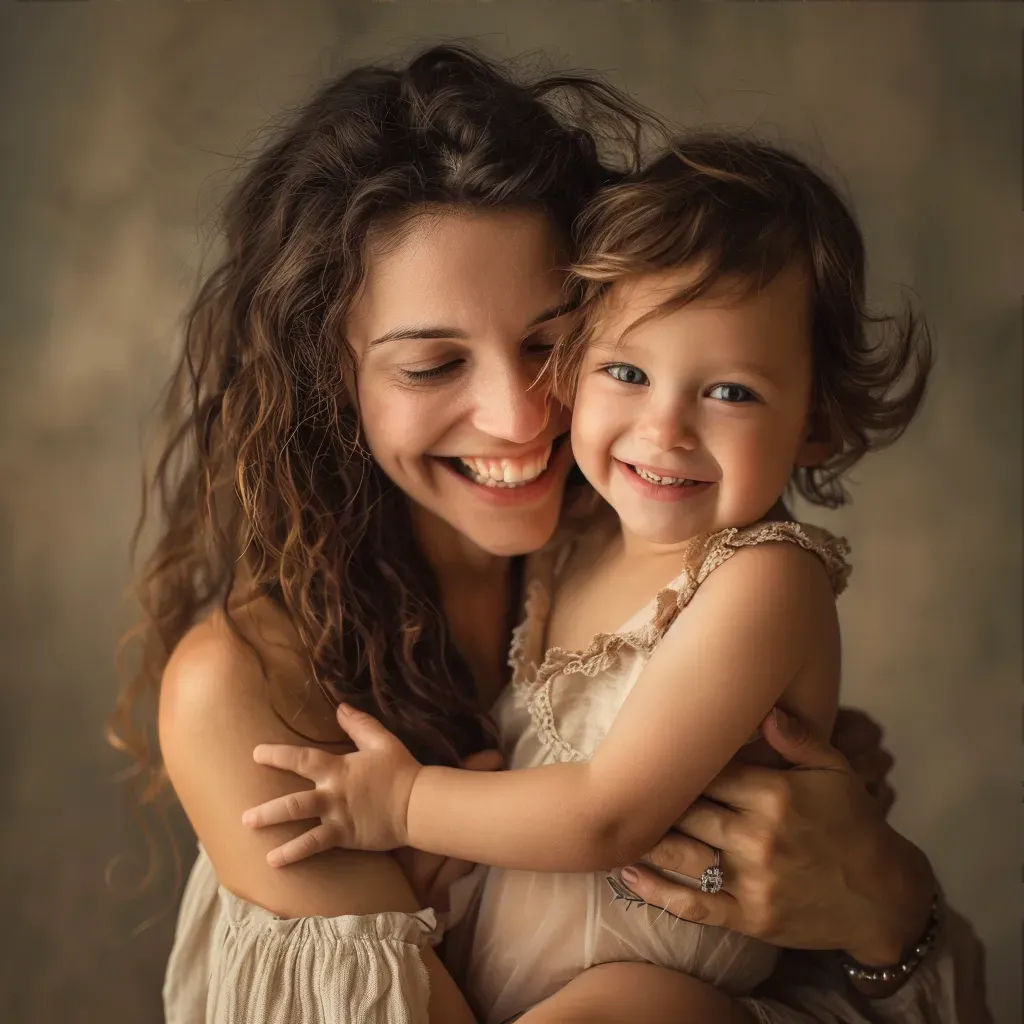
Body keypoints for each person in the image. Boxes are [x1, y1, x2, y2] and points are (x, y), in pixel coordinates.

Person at [107, 44, 991, 1024]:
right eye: (433, 364)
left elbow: (670, 834)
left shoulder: (647, 539)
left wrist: (881, 902)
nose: (522, 419)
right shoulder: (247, 691)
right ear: (331, 383)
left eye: (546, 343)